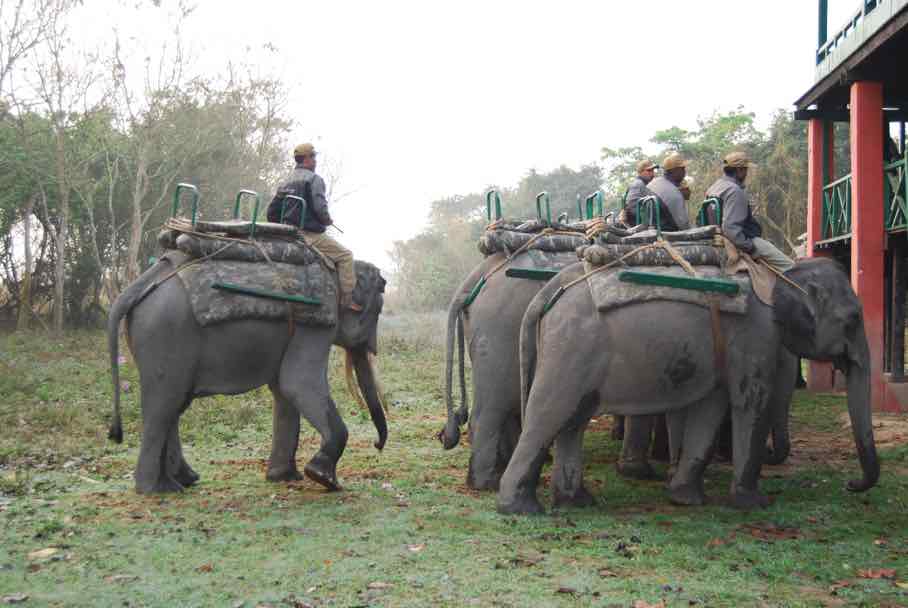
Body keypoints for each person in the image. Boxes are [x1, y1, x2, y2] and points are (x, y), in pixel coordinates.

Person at [267, 143, 360, 311]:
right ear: (308, 159)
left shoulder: (286, 180)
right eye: (314, 157)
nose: (315, 161)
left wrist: (282, 226)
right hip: (308, 235)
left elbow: (271, 212)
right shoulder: (314, 179)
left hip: (286, 233)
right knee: (346, 256)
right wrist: (326, 220)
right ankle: (347, 300)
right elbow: (319, 208)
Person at [706, 151, 794, 272]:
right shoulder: (735, 191)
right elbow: (730, 228)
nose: (746, 173)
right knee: (789, 266)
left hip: (716, 236)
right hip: (737, 240)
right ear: (739, 171)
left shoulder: (713, 187)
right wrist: (751, 248)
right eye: (745, 170)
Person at [645, 152, 690, 231]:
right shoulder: (674, 194)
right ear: (674, 171)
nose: (684, 172)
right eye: (682, 169)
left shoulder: (652, 184)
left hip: (648, 229)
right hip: (665, 234)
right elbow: (683, 225)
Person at [622, 159, 657, 225]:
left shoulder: (645, 185)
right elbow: (631, 207)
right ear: (641, 172)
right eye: (649, 170)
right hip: (637, 225)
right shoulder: (638, 184)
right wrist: (647, 219)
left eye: (653, 170)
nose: (652, 173)